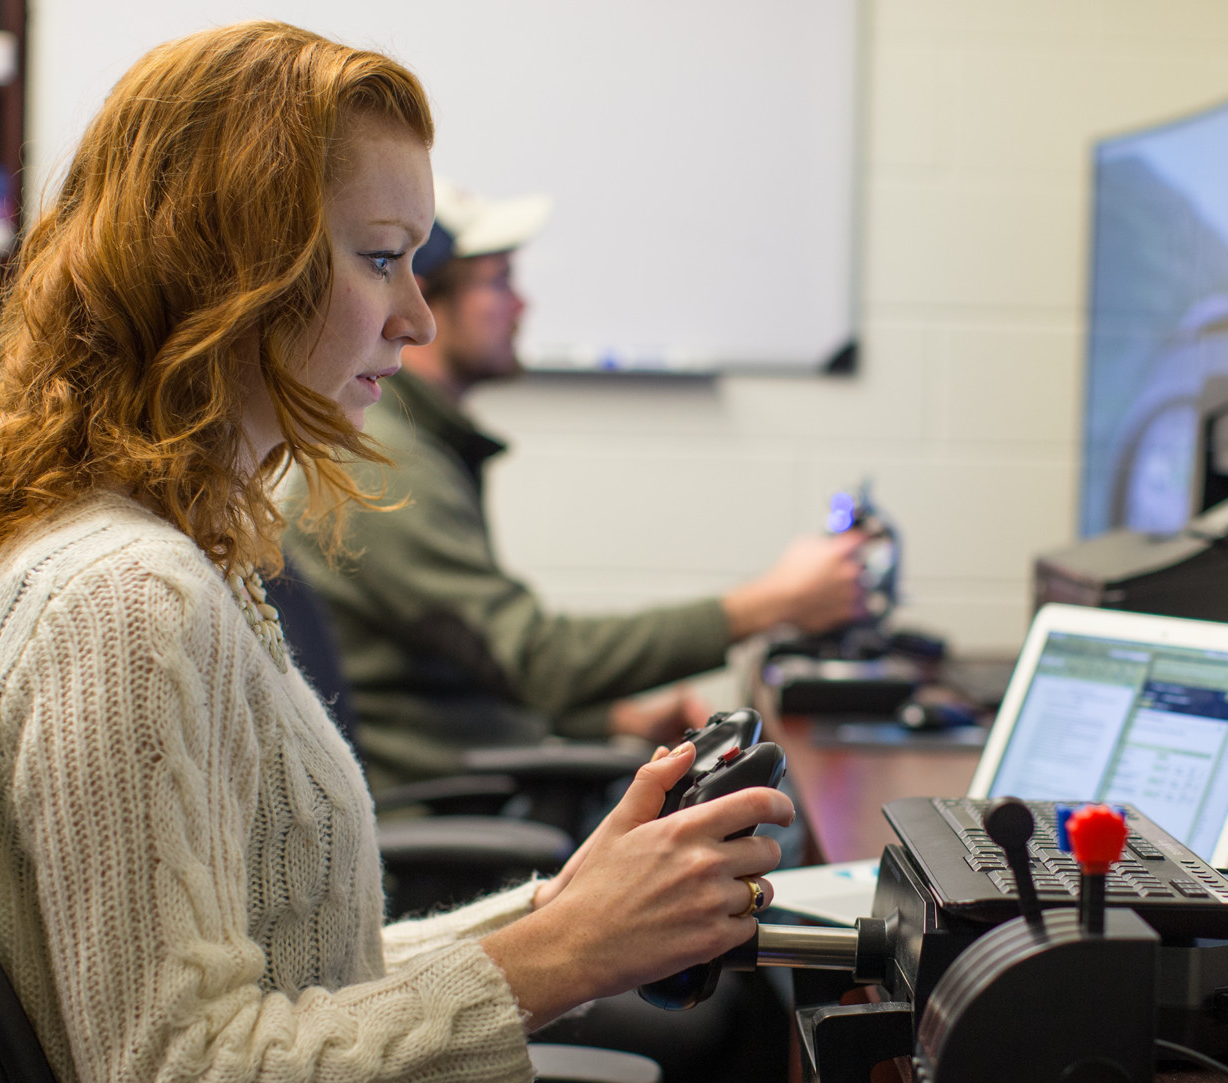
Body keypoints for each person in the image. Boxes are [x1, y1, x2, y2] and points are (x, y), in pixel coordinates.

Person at [0, 22, 841, 1083]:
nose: (414, 315)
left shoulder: (187, 553)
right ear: (230, 268)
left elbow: (299, 980)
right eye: (381, 259)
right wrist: (550, 963)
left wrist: (559, 917)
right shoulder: (122, 604)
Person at [275, 187, 866, 794]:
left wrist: (611, 721)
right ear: (426, 297)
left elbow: (469, 671)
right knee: (768, 810)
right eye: (499, 281)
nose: (522, 303)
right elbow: (537, 660)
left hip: (481, 781)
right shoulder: (387, 463)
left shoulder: (415, 444)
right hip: (455, 814)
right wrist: (770, 604)